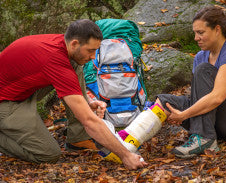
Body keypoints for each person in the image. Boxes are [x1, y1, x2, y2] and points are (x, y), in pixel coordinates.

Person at [0, 19, 147, 169]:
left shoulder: (63, 44)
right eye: (90, 51)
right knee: (48, 154)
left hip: (19, 88)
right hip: (6, 102)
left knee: (75, 62)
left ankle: (78, 138)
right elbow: (89, 121)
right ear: (75, 43)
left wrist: (86, 103)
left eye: (96, 50)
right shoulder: (55, 62)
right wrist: (126, 155)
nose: (93, 56)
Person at [154, 6, 226, 158]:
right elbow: (200, 96)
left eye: (201, 32)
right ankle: (129, 142)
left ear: (217, 30)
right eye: (195, 33)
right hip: (218, 123)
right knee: (165, 101)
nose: (195, 38)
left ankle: (204, 138)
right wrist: (177, 111)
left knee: (203, 70)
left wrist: (184, 114)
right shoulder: (200, 56)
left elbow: (218, 96)